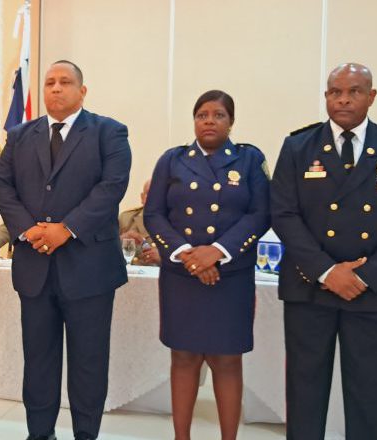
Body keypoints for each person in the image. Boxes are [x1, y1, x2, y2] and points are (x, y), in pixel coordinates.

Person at [271, 63, 377, 440]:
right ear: (326, 97)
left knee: (368, 399)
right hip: (310, 289)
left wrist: (364, 276)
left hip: (374, 291)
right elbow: (283, 213)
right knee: (304, 397)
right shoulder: (298, 146)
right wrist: (327, 272)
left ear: (372, 96)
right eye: (335, 92)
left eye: (354, 91)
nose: (344, 99)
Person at [0, 60, 131, 440]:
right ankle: (40, 434)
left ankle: (86, 434)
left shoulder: (109, 132)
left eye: (65, 82)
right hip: (35, 268)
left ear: (82, 91)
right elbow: (2, 187)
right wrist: (28, 229)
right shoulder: (20, 136)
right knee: (39, 362)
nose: (56, 88)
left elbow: (112, 187)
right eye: (50, 82)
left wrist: (66, 229)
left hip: (90, 271)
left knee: (89, 364)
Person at [144, 90, 270, 440]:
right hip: (181, 275)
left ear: (232, 121)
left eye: (218, 115)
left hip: (230, 276)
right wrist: (188, 254)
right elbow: (154, 214)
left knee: (227, 359)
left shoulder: (249, 160)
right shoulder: (172, 160)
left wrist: (217, 252)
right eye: (202, 115)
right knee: (183, 357)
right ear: (194, 121)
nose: (209, 121)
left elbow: (261, 214)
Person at [118, 179, 160, 265]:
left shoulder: (177, 222)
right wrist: (120, 240)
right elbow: (104, 250)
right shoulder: (125, 218)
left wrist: (165, 258)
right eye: (149, 193)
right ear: (142, 197)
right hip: (129, 272)